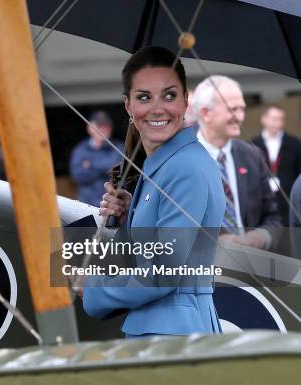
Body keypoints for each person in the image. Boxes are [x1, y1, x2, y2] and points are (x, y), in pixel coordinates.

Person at [83, 46, 225, 337]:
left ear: (186, 101)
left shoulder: (183, 167)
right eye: (144, 97)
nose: (157, 108)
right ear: (128, 105)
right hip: (171, 334)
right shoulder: (167, 165)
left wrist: (94, 289)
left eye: (169, 95)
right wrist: (126, 223)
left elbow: (164, 272)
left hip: (171, 339)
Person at [194, 76, 280, 249]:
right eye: (233, 109)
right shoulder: (176, 160)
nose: (240, 117)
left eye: (242, 109)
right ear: (206, 113)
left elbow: (273, 217)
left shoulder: (252, 156)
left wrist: (261, 235)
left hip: (250, 267)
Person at [251, 105, 301, 226]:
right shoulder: (252, 144)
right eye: (274, 119)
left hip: (288, 201)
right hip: (263, 203)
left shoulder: (295, 144)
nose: (278, 123)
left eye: (281, 119)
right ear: (263, 119)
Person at [69, 111, 123, 206]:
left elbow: (118, 170)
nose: (102, 129)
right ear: (89, 128)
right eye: (99, 126)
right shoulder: (80, 149)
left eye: (106, 126)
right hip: (86, 204)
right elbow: (77, 175)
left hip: (112, 205)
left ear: (111, 128)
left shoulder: (119, 147)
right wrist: (105, 169)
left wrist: (90, 165)